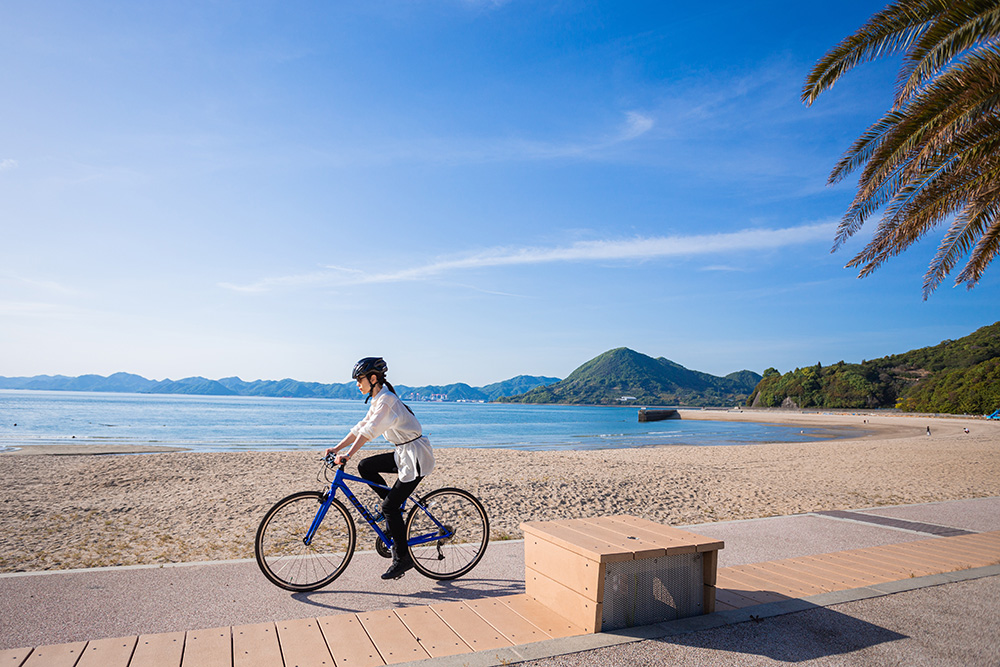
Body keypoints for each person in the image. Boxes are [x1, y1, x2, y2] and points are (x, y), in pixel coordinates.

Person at [326, 357, 435, 580]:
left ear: (373, 378)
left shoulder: (387, 400)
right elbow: (361, 428)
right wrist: (336, 448)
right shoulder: (378, 399)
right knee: (365, 466)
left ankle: (403, 558)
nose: (358, 383)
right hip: (403, 453)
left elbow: (370, 431)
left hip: (415, 456)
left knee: (389, 507)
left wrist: (347, 454)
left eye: (360, 379)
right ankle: (394, 514)